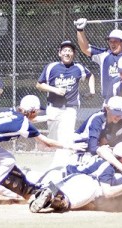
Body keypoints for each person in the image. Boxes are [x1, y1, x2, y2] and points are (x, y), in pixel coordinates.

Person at [29, 142, 122, 213]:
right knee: (65, 202)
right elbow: (108, 193)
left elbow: (103, 150)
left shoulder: (106, 155)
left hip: (69, 175)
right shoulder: (109, 166)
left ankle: (47, 192)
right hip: (87, 184)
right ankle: (50, 196)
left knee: (41, 188)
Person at [36, 40, 95, 168]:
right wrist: (54, 89)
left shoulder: (78, 68)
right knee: (54, 138)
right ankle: (53, 163)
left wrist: (92, 91)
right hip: (53, 109)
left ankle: (60, 167)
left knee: (66, 137)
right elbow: (39, 85)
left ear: (73, 54)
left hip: (70, 109)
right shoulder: (51, 67)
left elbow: (90, 76)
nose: (67, 53)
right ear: (59, 53)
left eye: (70, 51)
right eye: (65, 50)